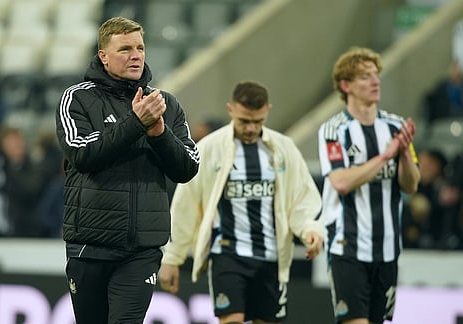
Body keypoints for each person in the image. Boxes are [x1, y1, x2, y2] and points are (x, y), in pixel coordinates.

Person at [55, 17, 200, 323]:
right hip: (90, 246)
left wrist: (160, 135)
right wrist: (136, 124)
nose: (136, 55)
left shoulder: (165, 104)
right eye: (125, 49)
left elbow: (188, 168)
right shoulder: (77, 98)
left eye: (140, 47)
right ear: (103, 55)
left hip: (141, 249)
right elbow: (82, 154)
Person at [159, 81, 324, 324]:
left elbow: (301, 198)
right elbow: (186, 204)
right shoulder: (210, 149)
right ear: (231, 110)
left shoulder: (283, 149)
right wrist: (172, 258)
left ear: (267, 110)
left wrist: (310, 229)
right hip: (228, 254)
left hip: (272, 256)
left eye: (257, 122)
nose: (250, 128)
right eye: (244, 121)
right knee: (232, 320)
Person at [317, 47, 420, 324]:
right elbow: (340, 182)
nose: (375, 82)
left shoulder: (396, 126)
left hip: (387, 248)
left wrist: (404, 156)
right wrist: (385, 156)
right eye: (365, 76)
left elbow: (411, 186)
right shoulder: (333, 130)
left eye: (376, 75)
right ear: (345, 85)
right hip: (347, 246)